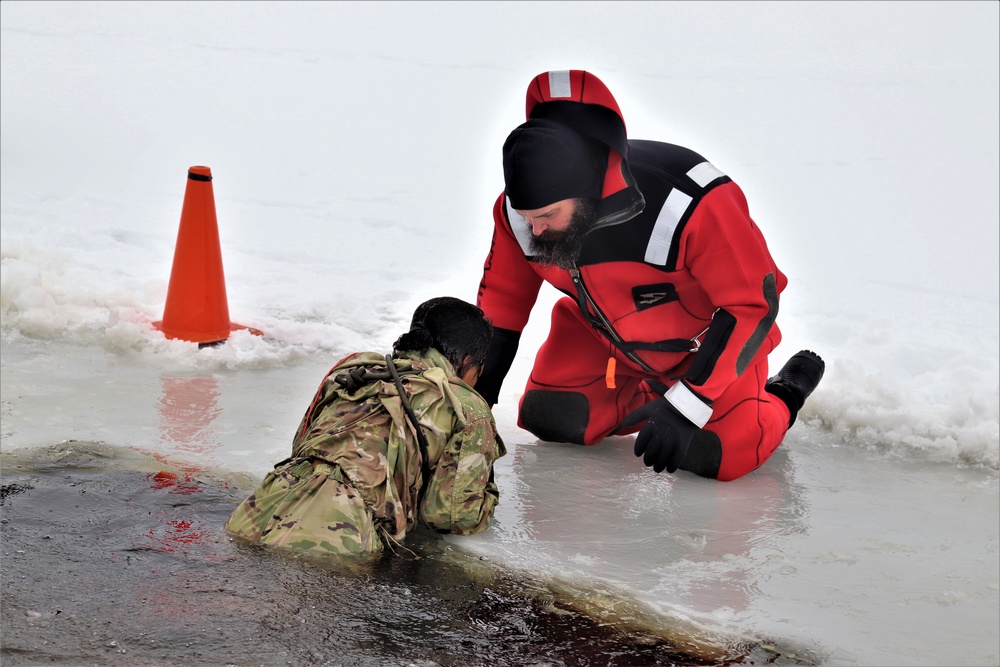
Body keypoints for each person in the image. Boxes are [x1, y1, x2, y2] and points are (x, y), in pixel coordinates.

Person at [474, 70, 824, 482]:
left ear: (584, 191)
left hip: (708, 350)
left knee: (712, 455)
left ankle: (783, 395)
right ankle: (648, 395)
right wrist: (475, 399)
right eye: (525, 216)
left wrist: (688, 404)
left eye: (547, 216)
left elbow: (753, 306)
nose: (533, 230)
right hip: (605, 341)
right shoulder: (523, 214)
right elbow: (503, 301)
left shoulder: (690, 202)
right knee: (552, 417)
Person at [224, 296, 505, 556]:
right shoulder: (466, 405)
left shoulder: (352, 370)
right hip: (339, 536)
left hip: (259, 510)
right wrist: (488, 497)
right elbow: (451, 516)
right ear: (468, 362)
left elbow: (303, 447)